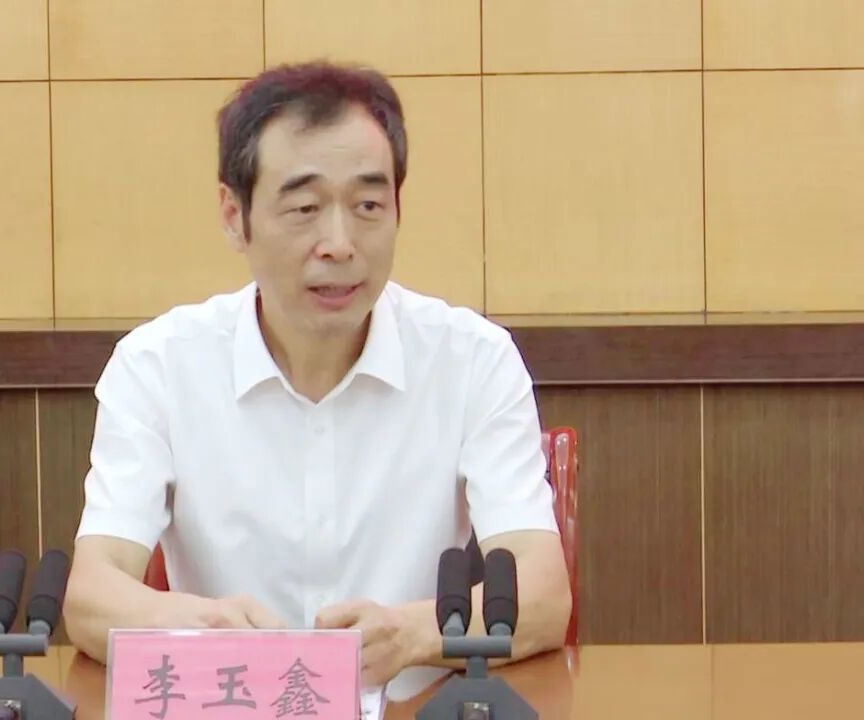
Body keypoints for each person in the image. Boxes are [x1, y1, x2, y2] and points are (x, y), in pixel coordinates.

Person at [63, 61, 571, 698]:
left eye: (367, 206)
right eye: (304, 208)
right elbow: (93, 593)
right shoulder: (157, 367)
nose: (339, 243)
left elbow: (542, 591)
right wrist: (204, 626)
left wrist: (410, 635)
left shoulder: (473, 360)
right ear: (234, 215)